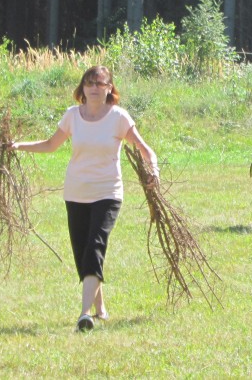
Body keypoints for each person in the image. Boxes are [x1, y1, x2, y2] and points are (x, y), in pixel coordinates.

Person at [11, 65, 159, 332]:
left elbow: (144, 148)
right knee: (82, 253)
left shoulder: (118, 117)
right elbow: (50, 144)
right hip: (76, 192)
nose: (94, 88)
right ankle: (100, 307)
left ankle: (84, 314)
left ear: (109, 89)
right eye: (89, 83)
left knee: (95, 245)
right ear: (82, 87)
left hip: (108, 192)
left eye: (100, 84)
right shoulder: (72, 116)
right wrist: (19, 146)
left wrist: (154, 171)